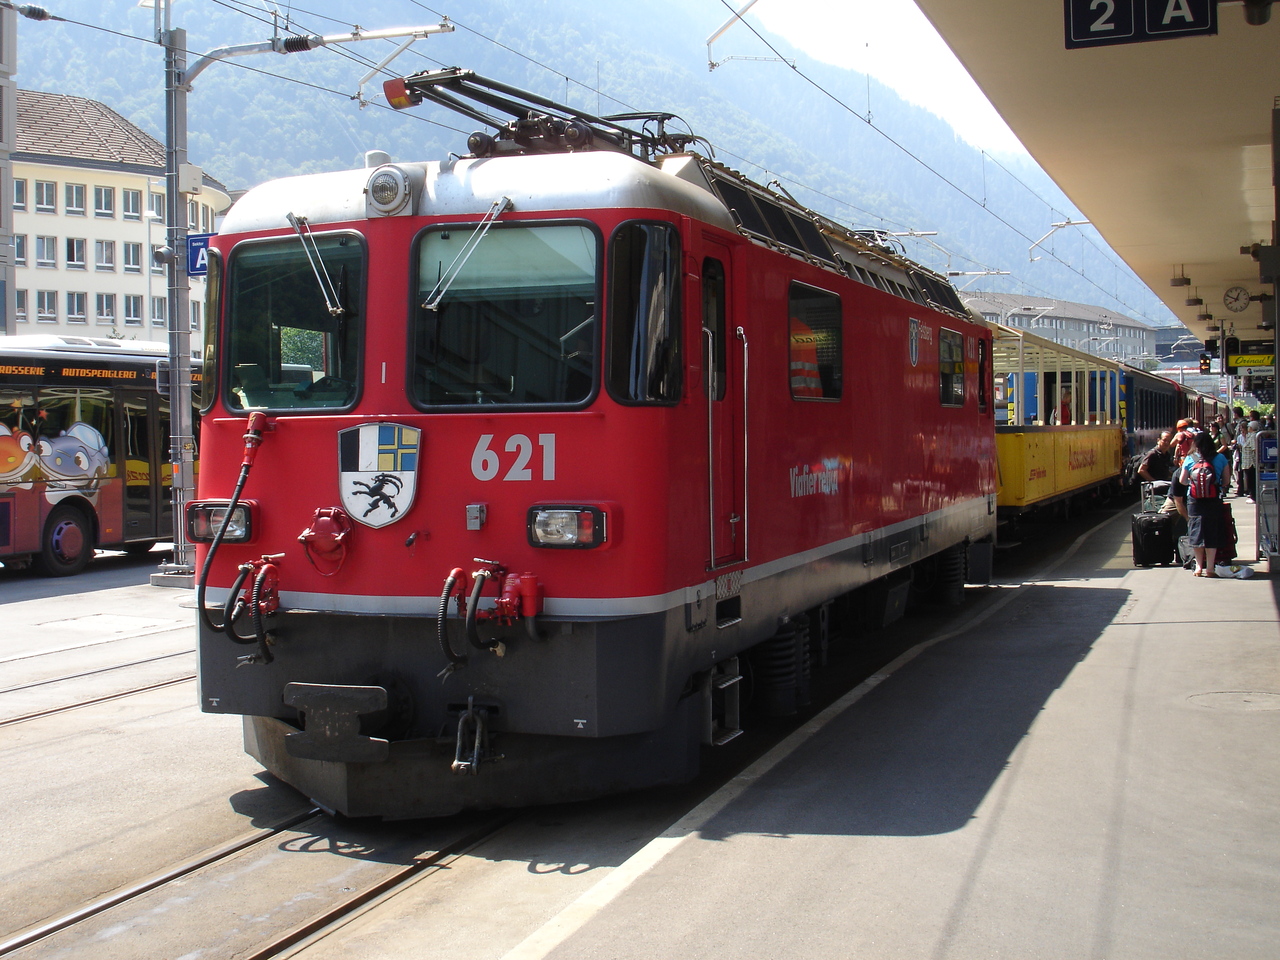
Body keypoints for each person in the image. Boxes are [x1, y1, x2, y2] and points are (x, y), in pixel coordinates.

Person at [1178, 430, 1229, 576]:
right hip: (1213, 499)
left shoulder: (1190, 458)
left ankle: (1199, 567)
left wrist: (1193, 483)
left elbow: (1182, 480)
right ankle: (1210, 567)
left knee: (1196, 530)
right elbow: (1226, 481)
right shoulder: (1220, 458)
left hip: (1195, 500)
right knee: (1212, 530)